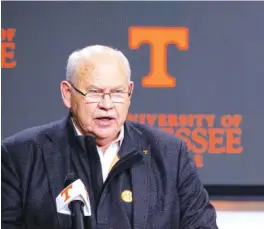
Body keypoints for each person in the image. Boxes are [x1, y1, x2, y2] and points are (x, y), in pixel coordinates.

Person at [1, 45, 218, 229]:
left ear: (130, 92)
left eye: (117, 93)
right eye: (95, 92)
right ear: (68, 94)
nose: (107, 105)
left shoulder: (171, 155)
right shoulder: (20, 156)